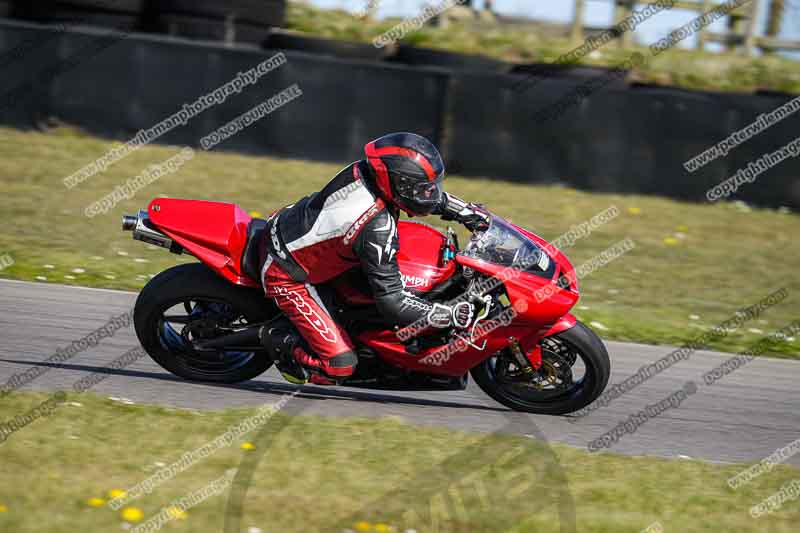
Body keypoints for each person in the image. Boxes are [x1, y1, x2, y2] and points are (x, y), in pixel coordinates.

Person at [259, 132, 489, 385]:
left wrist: (463, 211)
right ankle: (279, 338)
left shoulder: (366, 171)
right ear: (395, 183)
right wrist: (448, 314)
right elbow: (394, 303)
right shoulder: (375, 226)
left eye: (432, 186)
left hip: (303, 233)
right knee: (340, 366)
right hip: (289, 274)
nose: (429, 193)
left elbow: (415, 195)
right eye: (421, 188)